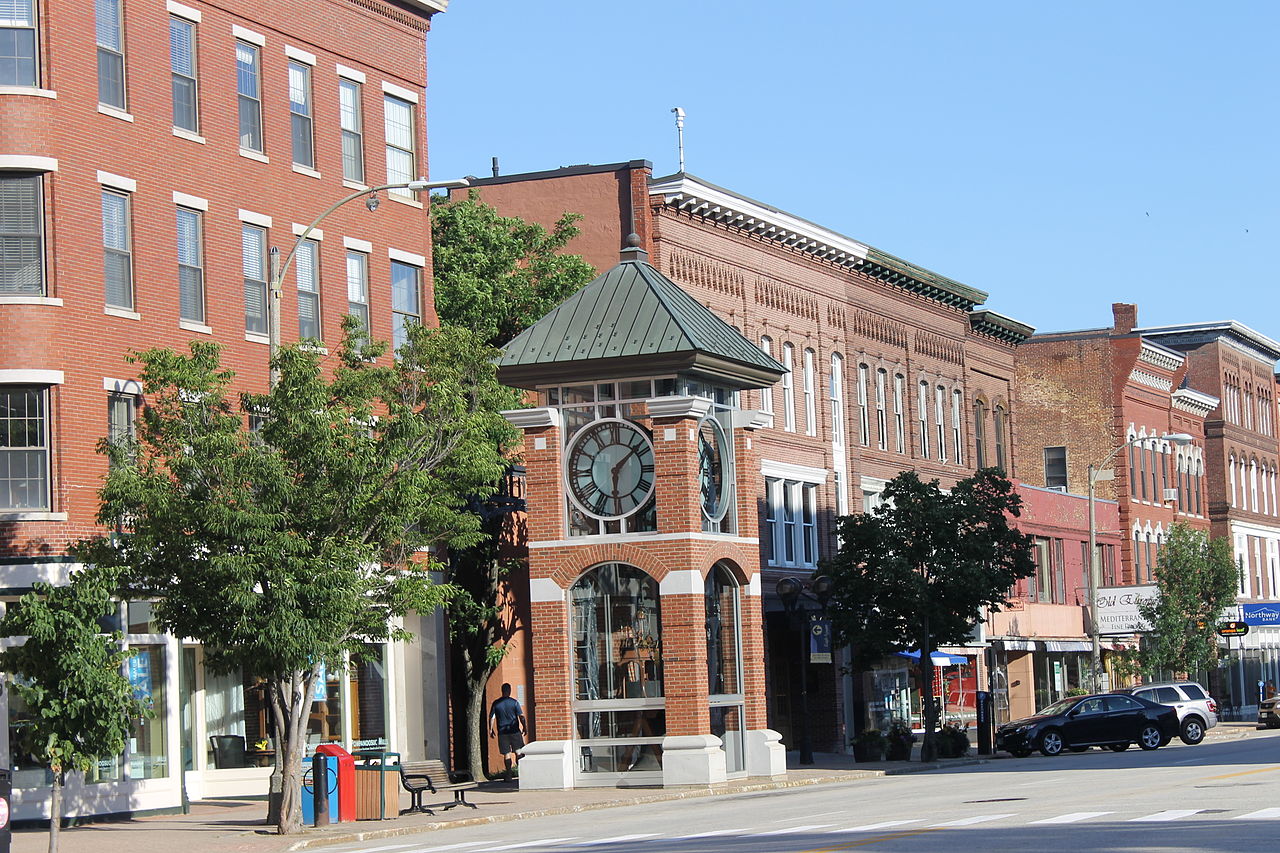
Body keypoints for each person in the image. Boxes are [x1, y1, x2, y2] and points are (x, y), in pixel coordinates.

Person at [488, 683, 527, 779]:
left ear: (502, 690)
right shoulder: (514, 703)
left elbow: (492, 717)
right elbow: (521, 716)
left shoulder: (496, 703)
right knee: (518, 752)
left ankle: (509, 775)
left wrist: (490, 729)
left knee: (506, 753)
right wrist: (524, 727)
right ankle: (521, 774)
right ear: (509, 691)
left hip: (502, 732)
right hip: (514, 731)